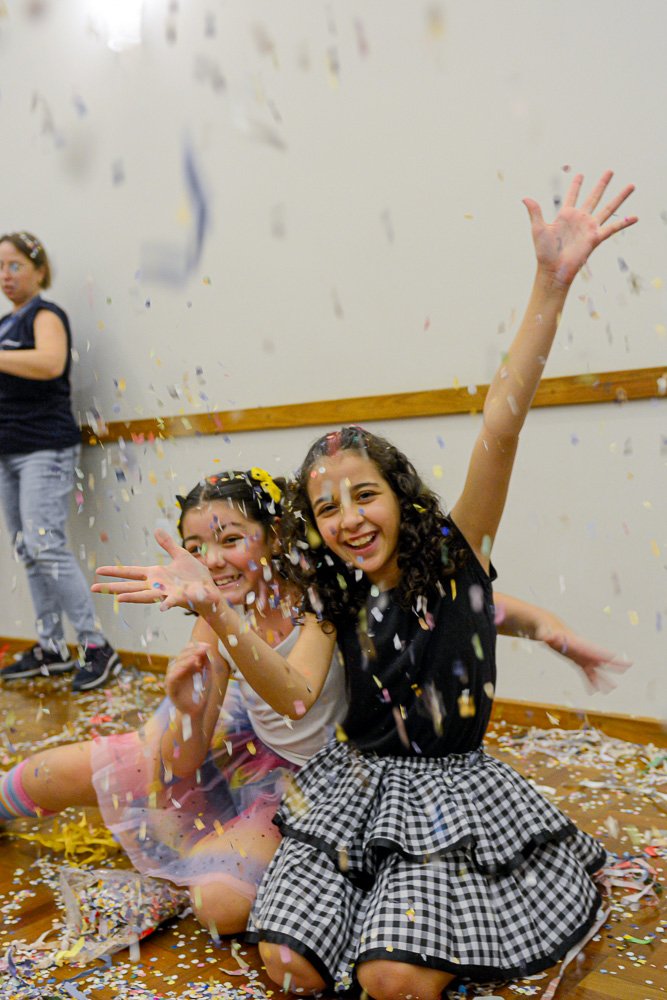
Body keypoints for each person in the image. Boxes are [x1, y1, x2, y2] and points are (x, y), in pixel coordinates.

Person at [94, 171, 636, 997]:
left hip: (448, 794)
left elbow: (499, 424)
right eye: (326, 507)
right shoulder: (333, 596)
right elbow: (289, 688)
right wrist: (213, 607)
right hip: (351, 787)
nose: (347, 518)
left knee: (390, 980)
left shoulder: (452, 556)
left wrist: (548, 288)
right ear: (311, 525)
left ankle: (414, 929)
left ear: (401, 496)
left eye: (364, 495)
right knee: (288, 965)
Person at [1, 468, 618, 942]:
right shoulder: (216, 612)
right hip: (247, 746)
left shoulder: (330, 592)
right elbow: (184, 762)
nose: (211, 561)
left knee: (219, 906)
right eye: (195, 546)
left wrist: (555, 632)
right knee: (62, 772)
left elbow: (461, 599)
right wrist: (186, 703)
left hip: (326, 778)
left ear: (275, 537)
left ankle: (221, 875)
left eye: (230, 539)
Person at [0, 231, 119, 691]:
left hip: (44, 447)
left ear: (40, 271)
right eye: (0, 267)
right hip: (9, 451)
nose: (6, 275)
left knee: (46, 544)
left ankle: (96, 647)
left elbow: (50, 363)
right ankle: (51, 648)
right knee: (28, 549)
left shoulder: (46, 315)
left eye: (15, 265)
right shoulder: (5, 325)